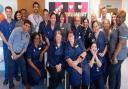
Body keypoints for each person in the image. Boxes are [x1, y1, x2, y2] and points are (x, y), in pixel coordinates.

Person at [8, 20, 32, 89]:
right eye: (26, 25)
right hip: (11, 51)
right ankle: (11, 85)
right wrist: (13, 53)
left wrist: (18, 55)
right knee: (11, 68)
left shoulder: (28, 36)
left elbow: (24, 49)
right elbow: (10, 42)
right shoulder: (16, 30)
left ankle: (25, 82)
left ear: (29, 28)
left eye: (28, 27)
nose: (27, 28)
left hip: (19, 54)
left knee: (23, 67)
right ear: (23, 25)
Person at [109, 10, 128, 89]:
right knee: (117, 73)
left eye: (120, 17)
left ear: (124, 18)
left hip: (118, 56)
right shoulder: (117, 25)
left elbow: (121, 43)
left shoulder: (123, 27)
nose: (117, 18)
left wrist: (114, 56)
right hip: (116, 54)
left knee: (112, 74)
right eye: (117, 16)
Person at [0, 6, 16, 85]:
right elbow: (1, 35)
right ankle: (6, 78)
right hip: (6, 47)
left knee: (14, 61)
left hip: (14, 47)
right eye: (7, 11)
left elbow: (17, 34)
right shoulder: (2, 23)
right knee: (7, 63)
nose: (9, 13)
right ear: (5, 12)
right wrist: (8, 44)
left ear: (12, 12)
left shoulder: (15, 22)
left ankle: (15, 75)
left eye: (10, 11)